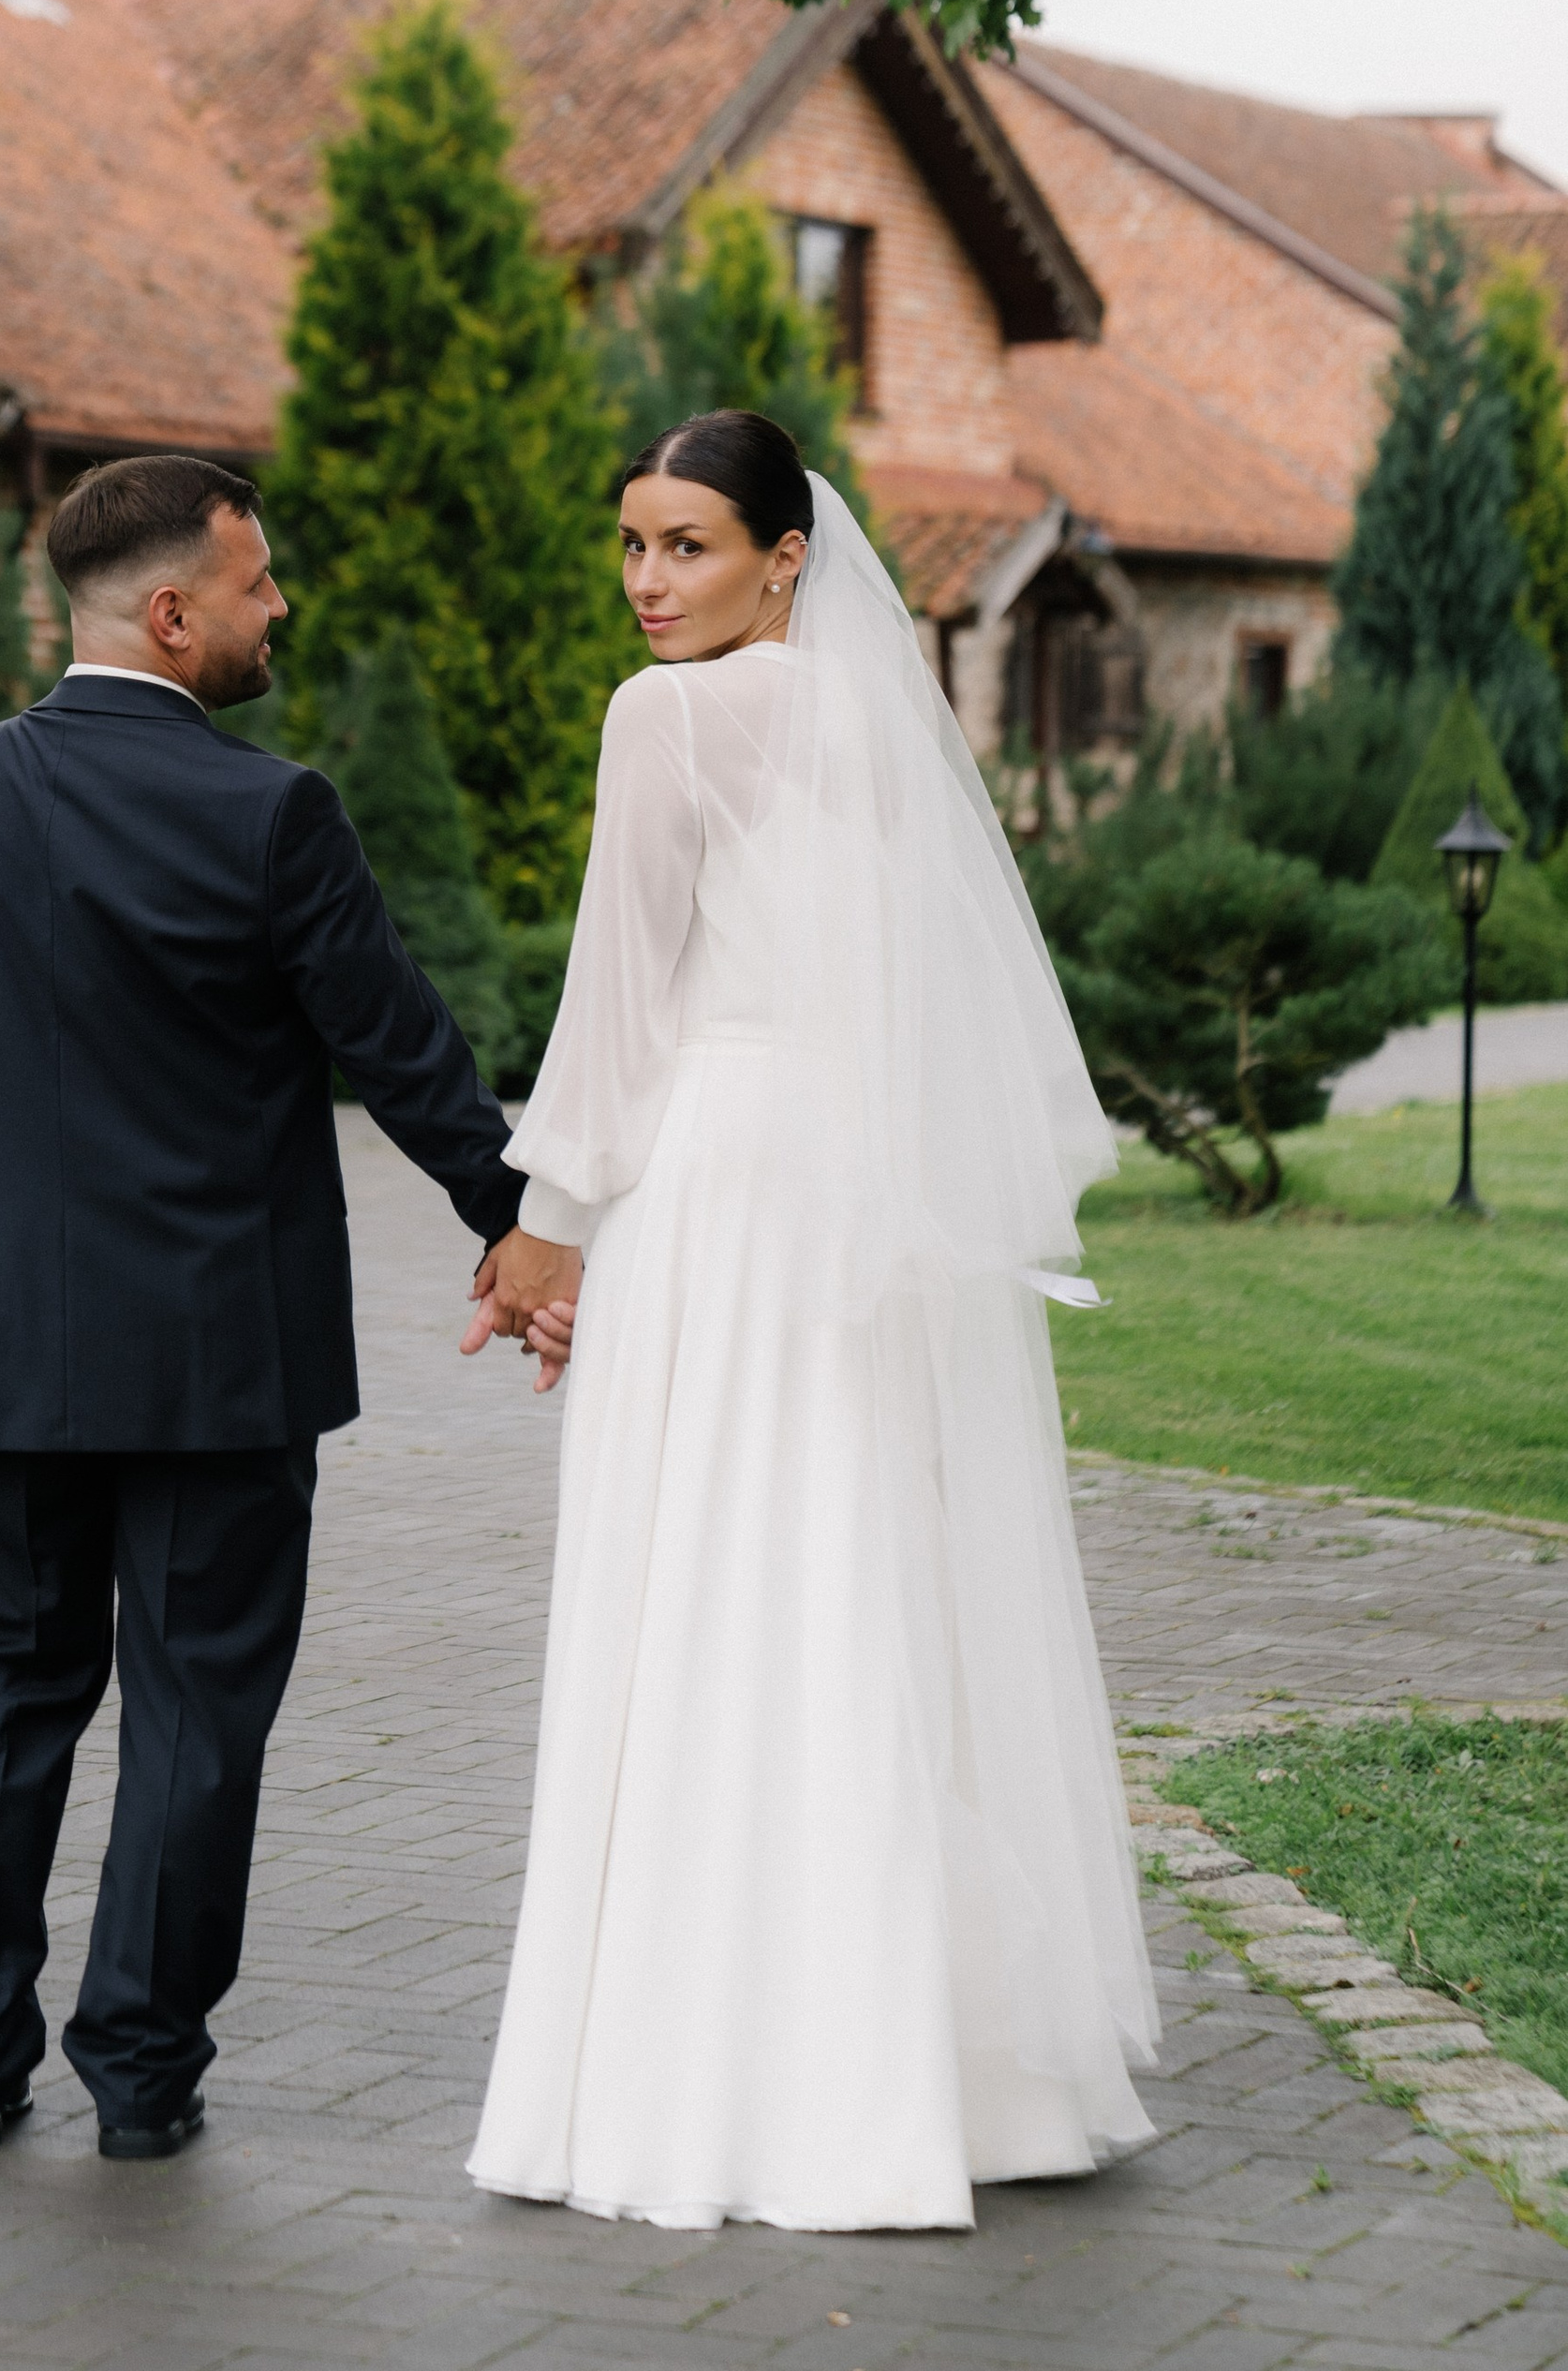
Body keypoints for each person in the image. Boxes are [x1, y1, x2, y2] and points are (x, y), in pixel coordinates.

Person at [467, 411, 1158, 2233]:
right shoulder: (872, 721)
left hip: (719, 1183)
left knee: (703, 1583)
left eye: (683, 546)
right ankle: (917, 2070)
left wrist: (544, 1234)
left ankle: (716, 2073)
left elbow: (616, 1002)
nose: (642, 583)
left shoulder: (669, 719)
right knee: (852, 1580)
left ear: (786, 556)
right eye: (628, 545)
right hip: (855, 1196)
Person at [0, 452, 576, 2163]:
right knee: (193, 1709)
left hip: (0, 1350)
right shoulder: (272, 812)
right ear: (172, 614)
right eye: (257, 585)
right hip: (216, 1361)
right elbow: (400, 1048)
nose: (279, 610)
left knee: (3, 1692)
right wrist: (522, 1227)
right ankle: (141, 2074)